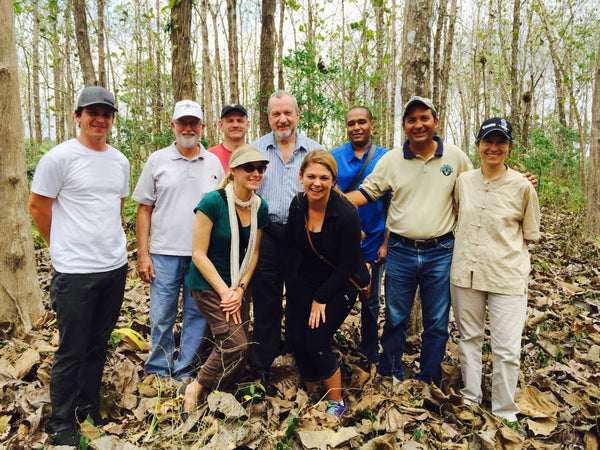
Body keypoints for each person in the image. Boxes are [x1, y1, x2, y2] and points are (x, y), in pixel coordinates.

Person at [345, 96, 473, 386]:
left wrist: (512, 180)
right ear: (404, 125)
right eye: (412, 120)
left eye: (424, 118)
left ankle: (428, 378)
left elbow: (477, 188)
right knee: (395, 318)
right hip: (400, 250)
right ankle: (391, 374)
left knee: (437, 322)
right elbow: (367, 193)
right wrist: (328, 198)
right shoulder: (392, 159)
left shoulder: (455, 157)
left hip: (441, 250)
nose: (418, 125)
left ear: (435, 122)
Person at [28, 86, 130, 446]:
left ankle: (88, 407)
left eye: (106, 114)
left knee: (98, 343)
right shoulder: (59, 158)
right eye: (92, 112)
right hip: (75, 272)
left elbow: (115, 206)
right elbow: (38, 207)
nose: (99, 119)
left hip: (114, 266)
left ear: (112, 119)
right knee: (72, 347)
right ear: (78, 116)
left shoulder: (119, 161)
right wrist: (62, 247)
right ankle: (61, 421)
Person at [450, 118, 540, 423]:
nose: (494, 148)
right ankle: (471, 397)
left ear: (510, 147)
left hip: (506, 274)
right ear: (477, 146)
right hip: (467, 272)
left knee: (506, 348)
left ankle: (504, 409)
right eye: (488, 141)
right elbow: (456, 213)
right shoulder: (463, 181)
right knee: (469, 338)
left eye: (501, 142)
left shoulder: (522, 186)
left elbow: (530, 232)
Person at [132, 100, 225, 381]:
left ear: (202, 127)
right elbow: (144, 209)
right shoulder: (157, 160)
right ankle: (159, 368)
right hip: (163, 252)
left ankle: (185, 369)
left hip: (201, 256)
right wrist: (142, 254)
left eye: (193, 123)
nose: (188, 128)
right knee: (162, 314)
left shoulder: (213, 163)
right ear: (173, 126)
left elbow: (221, 207)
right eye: (182, 123)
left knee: (196, 315)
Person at [182, 145, 269, 412]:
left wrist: (240, 289)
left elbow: (253, 253)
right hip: (209, 285)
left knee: (232, 341)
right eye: (249, 168)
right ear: (233, 171)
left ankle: (222, 393)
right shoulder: (212, 202)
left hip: (238, 284)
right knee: (235, 344)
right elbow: (198, 253)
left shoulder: (259, 206)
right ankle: (194, 388)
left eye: (260, 168)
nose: (256, 173)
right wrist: (225, 292)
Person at [249, 91, 324, 382]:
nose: (282, 119)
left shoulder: (314, 151)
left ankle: (295, 360)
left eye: (287, 113)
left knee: (299, 300)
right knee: (266, 302)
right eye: (276, 114)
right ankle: (262, 366)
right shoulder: (254, 151)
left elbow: (326, 193)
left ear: (297, 115)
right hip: (265, 234)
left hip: (301, 236)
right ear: (268, 117)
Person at [285, 151, 367, 418]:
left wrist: (320, 298)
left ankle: (336, 401)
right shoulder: (298, 204)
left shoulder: (346, 213)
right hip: (306, 279)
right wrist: (294, 290)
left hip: (339, 283)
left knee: (315, 339)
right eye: (311, 176)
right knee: (296, 336)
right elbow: (293, 247)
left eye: (324, 177)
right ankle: (311, 388)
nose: (316, 183)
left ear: (334, 180)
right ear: (301, 177)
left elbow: (347, 264)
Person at [331, 106, 389, 365]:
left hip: (374, 241)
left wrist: (387, 243)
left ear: (372, 124)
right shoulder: (334, 157)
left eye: (361, 122)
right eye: (351, 123)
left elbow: (393, 205)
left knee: (371, 301)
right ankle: (327, 347)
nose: (356, 127)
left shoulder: (386, 158)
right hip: (341, 245)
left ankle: (370, 352)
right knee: (334, 295)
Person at [208, 104, 250, 172]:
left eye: (240, 121)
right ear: (220, 125)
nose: (235, 125)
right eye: (230, 121)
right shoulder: (210, 156)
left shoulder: (256, 153)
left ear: (247, 125)